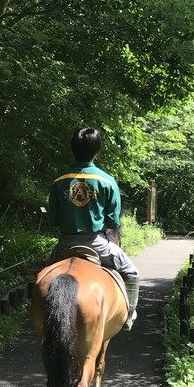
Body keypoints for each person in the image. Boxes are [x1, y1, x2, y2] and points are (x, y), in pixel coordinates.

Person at [47, 127, 140, 330]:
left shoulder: (59, 181)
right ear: (97, 149)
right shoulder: (107, 181)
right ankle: (128, 316)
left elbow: (52, 219)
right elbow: (113, 222)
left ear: (73, 148)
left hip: (65, 245)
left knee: (41, 277)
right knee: (131, 272)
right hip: (97, 244)